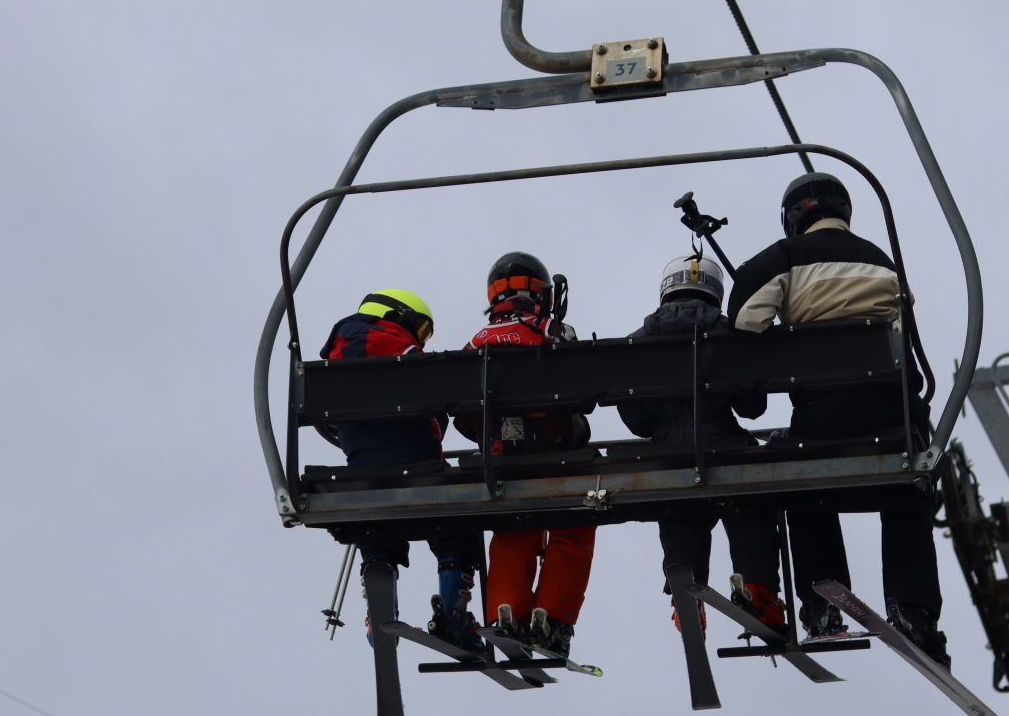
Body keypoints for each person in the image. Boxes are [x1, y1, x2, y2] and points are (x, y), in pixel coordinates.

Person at [726, 172, 948, 667]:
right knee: (906, 491)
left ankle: (821, 603)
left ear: (792, 217)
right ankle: (913, 609)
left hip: (822, 421)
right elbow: (907, 347)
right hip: (892, 420)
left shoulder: (785, 258)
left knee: (802, 479)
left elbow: (744, 320)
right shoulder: (884, 262)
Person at [616, 255, 786, 635]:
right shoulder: (732, 334)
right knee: (751, 507)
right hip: (725, 446)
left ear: (666, 290)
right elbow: (753, 407)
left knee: (679, 507)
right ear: (715, 292)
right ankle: (757, 590)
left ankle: (685, 587)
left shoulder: (635, 343)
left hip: (667, 455)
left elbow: (638, 422)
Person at [322, 289, 484, 653]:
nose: (420, 339)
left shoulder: (335, 357)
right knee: (457, 522)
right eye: (420, 328)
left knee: (377, 530)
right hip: (419, 468)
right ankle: (453, 611)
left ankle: (379, 602)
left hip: (364, 472)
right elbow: (438, 395)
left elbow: (329, 423)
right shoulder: (394, 347)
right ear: (397, 316)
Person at [453, 252, 595, 657]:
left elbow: (461, 413)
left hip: (502, 464)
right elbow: (584, 394)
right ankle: (553, 618)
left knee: (513, 531)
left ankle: (507, 612)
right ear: (542, 294)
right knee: (573, 528)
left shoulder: (476, 342)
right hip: (555, 457)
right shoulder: (551, 330)